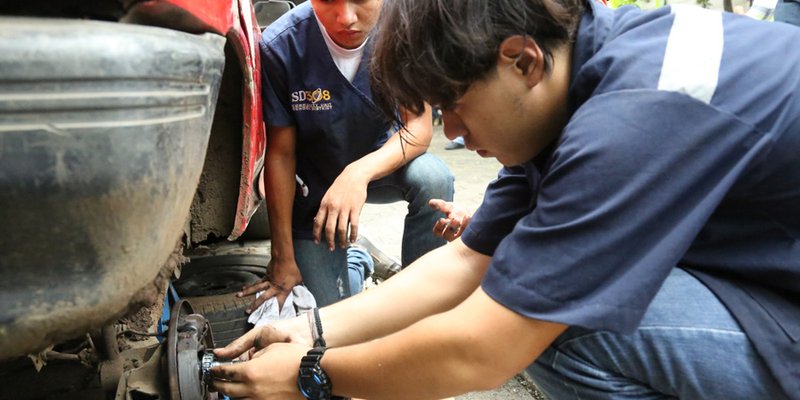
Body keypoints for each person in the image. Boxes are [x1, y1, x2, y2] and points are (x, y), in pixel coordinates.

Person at [213, 0, 800, 399]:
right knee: (530, 281)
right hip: (764, 269)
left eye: (456, 106)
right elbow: (469, 259)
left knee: (564, 325)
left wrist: (312, 376)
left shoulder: (633, 118)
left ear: (523, 61)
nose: (454, 135)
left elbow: (485, 345)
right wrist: (313, 329)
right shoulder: (581, 83)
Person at [240, 0, 454, 312]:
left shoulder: (403, 28)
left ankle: (419, 302)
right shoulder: (281, 46)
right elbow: (281, 155)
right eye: (328, 1)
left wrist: (357, 174)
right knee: (331, 315)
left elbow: (418, 128)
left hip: (381, 165)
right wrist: (282, 257)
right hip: (315, 189)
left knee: (433, 178)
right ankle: (359, 260)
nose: (346, 18)